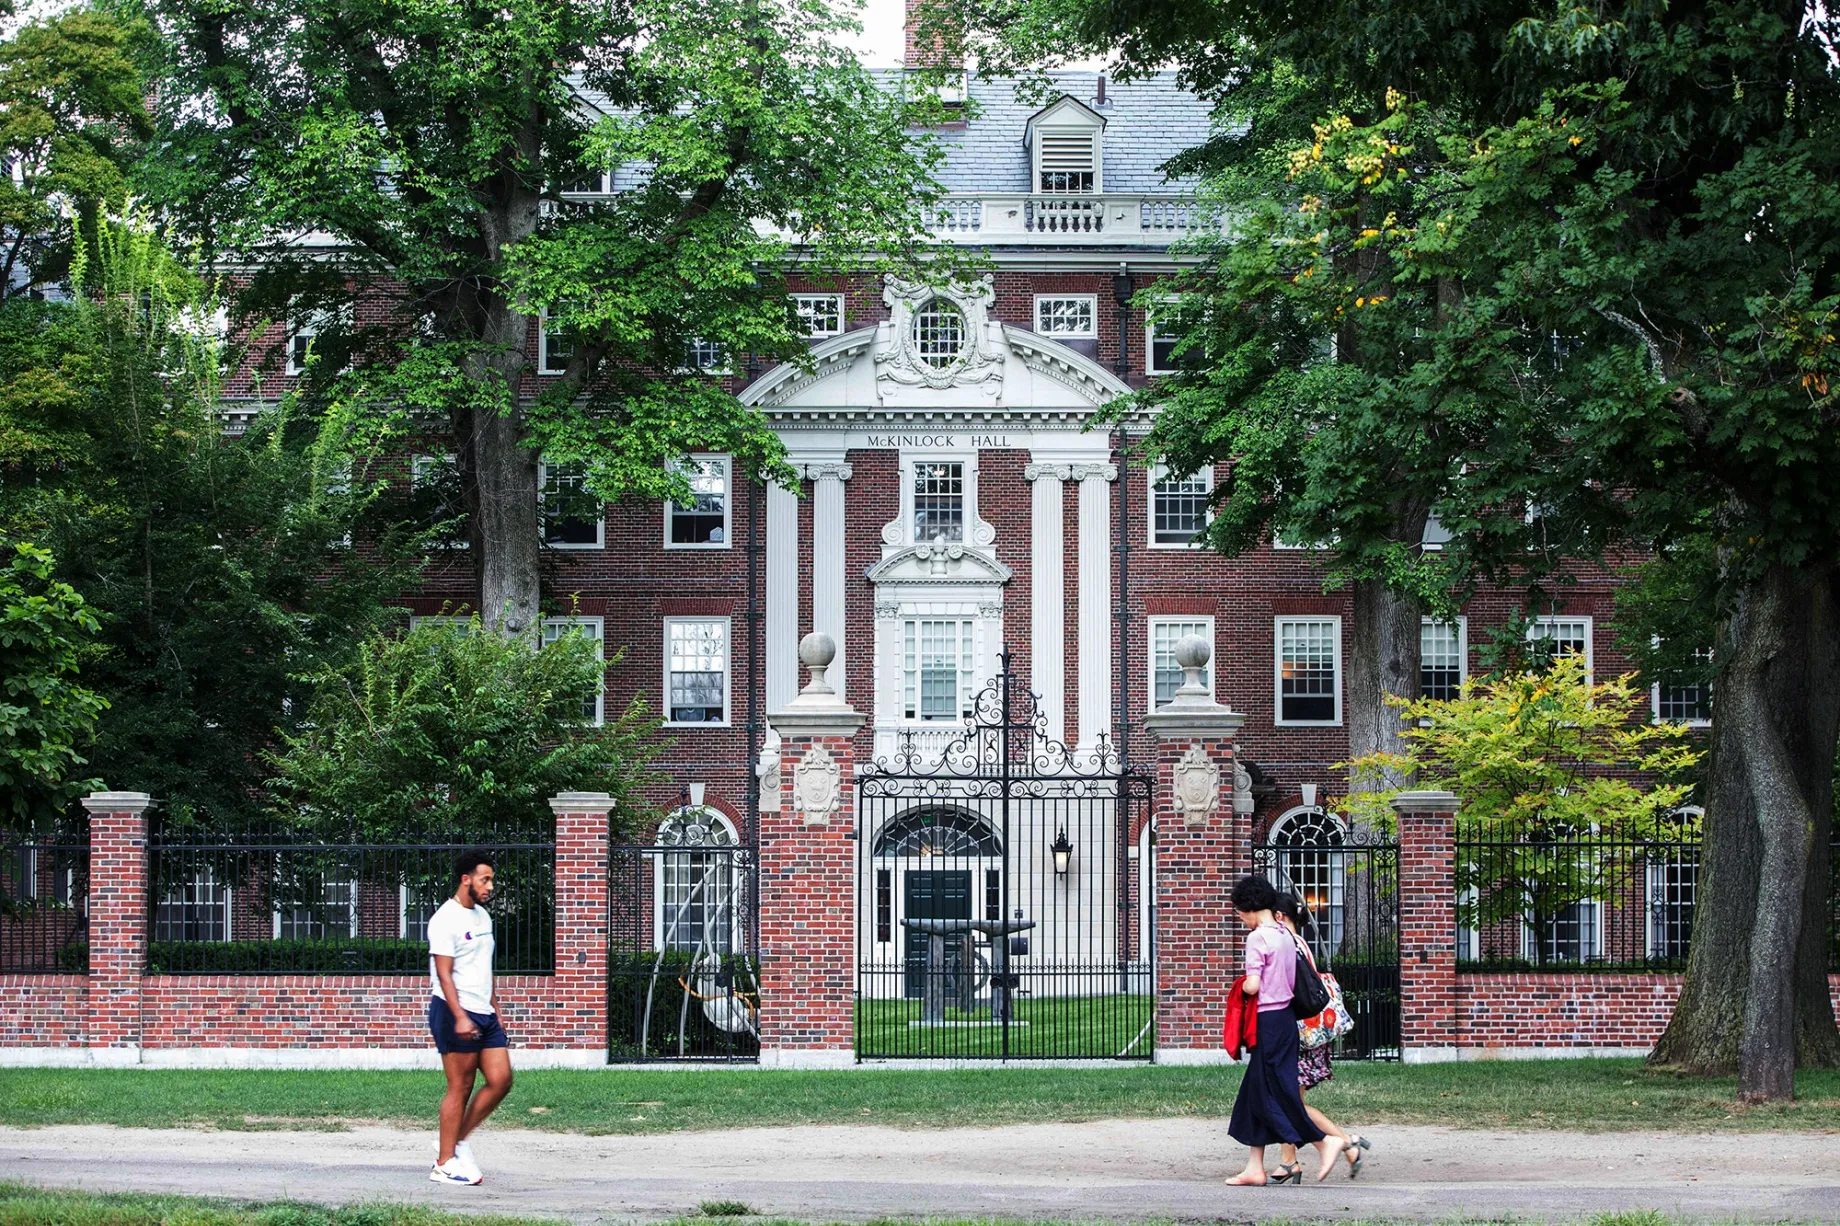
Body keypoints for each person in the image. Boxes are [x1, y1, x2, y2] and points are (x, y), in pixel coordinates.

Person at [1224, 874, 1344, 1186]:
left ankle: (1322, 1141)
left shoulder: (1258, 938)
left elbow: (1253, 984)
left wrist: (1240, 988)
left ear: (1249, 908)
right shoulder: (1284, 934)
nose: (1240, 918)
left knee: (1276, 1092)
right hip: (1286, 1019)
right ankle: (1254, 1167)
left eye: (1239, 911)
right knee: (1255, 1091)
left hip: (1267, 1021)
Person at [427, 850, 513, 1186]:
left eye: (490, 879)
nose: (490, 886)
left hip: (485, 1013)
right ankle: (444, 1162)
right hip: (453, 1012)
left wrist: (496, 1012)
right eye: (485, 879)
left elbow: (484, 970)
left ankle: (456, 1141)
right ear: (466, 879)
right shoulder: (445, 920)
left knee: (501, 1079)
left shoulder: (482, 917)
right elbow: (444, 974)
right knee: (460, 1087)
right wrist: (460, 1017)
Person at [1273, 892, 1372, 1180]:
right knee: (1289, 1099)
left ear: (1279, 917)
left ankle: (1345, 1140)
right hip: (1310, 1034)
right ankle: (1288, 1160)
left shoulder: (1288, 943)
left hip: (1301, 1035)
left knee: (1291, 1101)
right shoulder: (1301, 942)